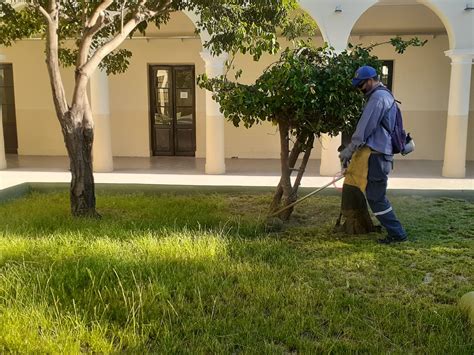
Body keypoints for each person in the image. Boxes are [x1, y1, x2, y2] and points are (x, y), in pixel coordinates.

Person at [339, 65, 407, 244]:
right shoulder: (385, 95)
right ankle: (393, 230)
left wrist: (350, 149)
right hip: (378, 155)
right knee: (373, 195)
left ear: (370, 81)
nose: (359, 89)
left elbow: (364, 128)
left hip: (377, 156)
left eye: (361, 85)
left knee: (376, 198)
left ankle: (397, 234)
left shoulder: (377, 98)